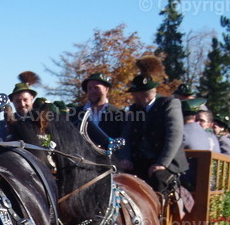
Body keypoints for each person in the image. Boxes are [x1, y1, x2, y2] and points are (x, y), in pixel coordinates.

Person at [116, 56, 188, 194]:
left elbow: (174, 136)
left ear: (142, 94)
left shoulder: (169, 104)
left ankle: (159, 215)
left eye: (134, 93)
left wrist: (162, 163)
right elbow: (125, 135)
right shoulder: (134, 109)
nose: (132, 97)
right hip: (140, 160)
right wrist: (125, 158)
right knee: (118, 176)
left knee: (158, 179)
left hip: (166, 163)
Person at [0, 74, 38, 142]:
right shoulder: (3, 125)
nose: (22, 104)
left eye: (25, 100)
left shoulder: (42, 121)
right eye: (18, 101)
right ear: (12, 101)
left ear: (32, 98)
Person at [79, 72, 123, 138]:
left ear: (106, 89)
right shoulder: (76, 113)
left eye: (96, 88)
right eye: (89, 88)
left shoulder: (119, 114)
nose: (92, 91)